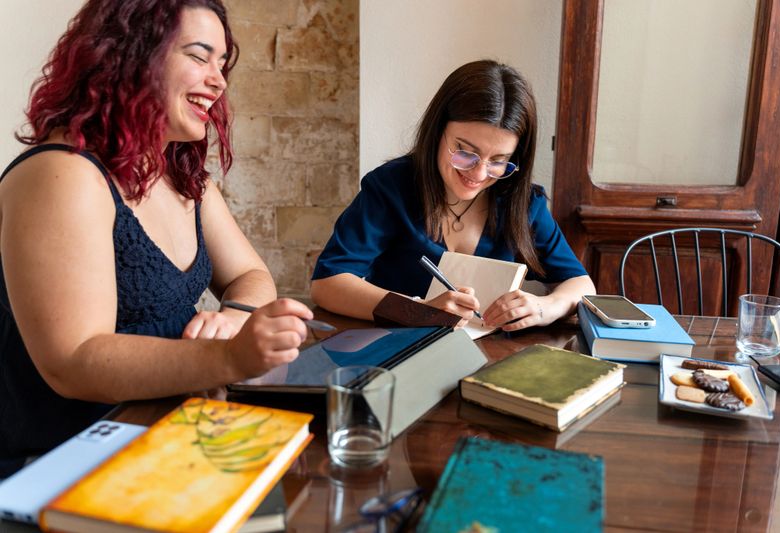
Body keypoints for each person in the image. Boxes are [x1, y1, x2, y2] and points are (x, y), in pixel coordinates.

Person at [0, 0, 313, 477]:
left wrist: (234, 318)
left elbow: (251, 274)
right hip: (56, 464)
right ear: (130, 54)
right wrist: (227, 358)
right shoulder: (61, 174)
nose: (219, 81)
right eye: (199, 56)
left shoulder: (184, 179)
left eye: (221, 63)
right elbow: (73, 362)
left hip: (160, 435)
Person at [311, 59, 595, 329]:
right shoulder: (392, 187)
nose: (479, 174)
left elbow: (581, 285)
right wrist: (417, 311)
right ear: (437, 132)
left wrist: (545, 307)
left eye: (498, 161)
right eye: (465, 152)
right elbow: (327, 283)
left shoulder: (521, 201)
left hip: (493, 353)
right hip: (401, 349)